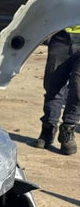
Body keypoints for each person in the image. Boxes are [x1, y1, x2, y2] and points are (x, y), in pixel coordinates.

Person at [36, 26, 80, 155]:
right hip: (61, 36)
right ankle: (48, 127)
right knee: (53, 85)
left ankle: (68, 128)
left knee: (78, 88)